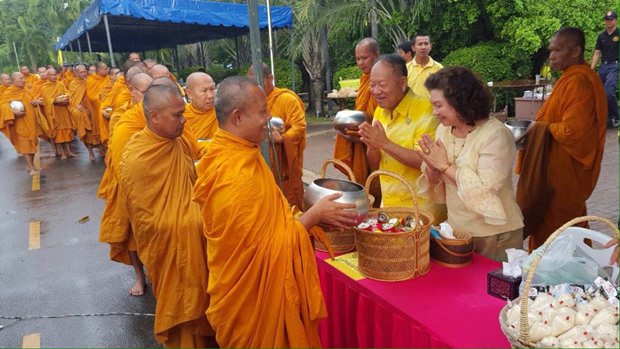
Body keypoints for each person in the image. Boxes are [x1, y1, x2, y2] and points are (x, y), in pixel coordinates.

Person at [193, 76, 358, 348]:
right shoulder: (234, 175)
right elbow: (264, 251)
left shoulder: (238, 152)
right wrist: (313, 216)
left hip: (258, 290)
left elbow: (270, 217)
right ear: (237, 117)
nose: (269, 118)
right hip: (251, 302)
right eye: (262, 112)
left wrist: (301, 217)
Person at [118, 85, 214, 348]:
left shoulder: (179, 139)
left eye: (183, 113)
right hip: (172, 248)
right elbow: (146, 218)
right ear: (153, 116)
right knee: (181, 308)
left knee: (205, 301)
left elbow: (190, 178)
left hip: (196, 240)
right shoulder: (137, 156)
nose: (184, 120)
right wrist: (192, 222)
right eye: (177, 115)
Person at [416, 67, 524, 262]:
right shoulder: (443, 130)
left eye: (439, 105)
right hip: (458, 231)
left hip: (494, 234)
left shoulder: (495, 134)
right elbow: (436, 181)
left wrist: (443, 165)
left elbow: (485, 190)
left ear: (459, 102)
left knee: (490, 291)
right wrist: (431, 167)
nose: (435, 113)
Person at [516, 27, 607, 250]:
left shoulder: (579, 82)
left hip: (562, 177)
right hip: (553, 173)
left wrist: (539, 129)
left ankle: (567, 281)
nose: (552, 56)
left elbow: (574, 132)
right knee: (549, 235)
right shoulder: (569, 77)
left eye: (557, 50)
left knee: (563, 237)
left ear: (575, 51)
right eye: (551, 50)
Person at [358, 54, 442, 221]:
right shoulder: (380, 111)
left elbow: (429, 162)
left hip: (421, 210)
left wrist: (384, 143)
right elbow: (376, 164)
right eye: (372, 85)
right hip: (390, 207)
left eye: (382, 85)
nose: (376, 91)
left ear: (403, 83)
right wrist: (373, 146)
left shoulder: (426, 111)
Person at [98, 72, 153, 297]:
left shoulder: (161, 111)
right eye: (145, 92)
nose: (151, 96)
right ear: (132, 90)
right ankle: (140, 277)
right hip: (129, 184)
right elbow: (117, 153)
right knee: (132, 235)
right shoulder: (124, 118)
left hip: (157, 181)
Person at [248, 63, 306, 207]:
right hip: (262, 161)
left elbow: (299, 127)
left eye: (260, 82)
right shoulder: (251, 103)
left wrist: (282, 139)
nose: (257, 88)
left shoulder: (286, 99)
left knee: (290, 202)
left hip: (284, 162)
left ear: (271, 78)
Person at [333, 37, 379, 185]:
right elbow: (362, 109)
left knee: (377, 181)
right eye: (358, 59)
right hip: (362, 136)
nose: (360, 63)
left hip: (378, 138)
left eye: (364, 58)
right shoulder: (364, 79)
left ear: (376, 55)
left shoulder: (381, 80)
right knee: (363, 182)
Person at [0, 72, 39, 175]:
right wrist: (13, 112)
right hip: (20, 122)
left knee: (33, 142)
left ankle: (31, 164)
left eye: (23, 78)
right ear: (14, 81)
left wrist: (35, 102)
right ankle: (31, 168)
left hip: (31, 121)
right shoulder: (9, 92)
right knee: (25, 144)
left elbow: (32, 100)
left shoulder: (26, 89)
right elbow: (3, 106)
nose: (23, 80)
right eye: (20, 79)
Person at [590, 11, 619, 129]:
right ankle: (607, 120)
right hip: (603, 67)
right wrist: (591, 69)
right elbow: (597, 53)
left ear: (616, 20)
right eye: (607, 19)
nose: (609, 22)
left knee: (608, 92)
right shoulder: (601, 36)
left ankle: (616, 117)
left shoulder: (619, 33)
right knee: (600, 94)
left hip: (614, 65)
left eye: (611, 19)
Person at [40, 68, 76, 159]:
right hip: (54, 112)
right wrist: (55, 100)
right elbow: (47, 100)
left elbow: (66, 92)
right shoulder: (45, 87)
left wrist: (66, 97)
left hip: (63, 110)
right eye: (51, 75)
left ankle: (69, 151)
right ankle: (62, 153)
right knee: (58, 133)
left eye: (55, 74)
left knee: (67, 130)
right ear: (47, 76)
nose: (54, 76)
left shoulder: (60, 84)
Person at [68, 64, 102, 159]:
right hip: (84, 110)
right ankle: (90, 152)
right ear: (76, 73)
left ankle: (101, 149)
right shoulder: (74, 84)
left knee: (97, 129)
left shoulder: (90, 81)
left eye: (84, 71)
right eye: (81, 72)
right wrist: (77, 105)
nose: (83, 74)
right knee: (88, 132)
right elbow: (72, 98)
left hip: (93, 108)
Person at [407, 35, 443, 99]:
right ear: (413, 48)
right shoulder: (406, 68)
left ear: (430, 46)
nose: (423, 47)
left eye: (426, 44)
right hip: (411, 107)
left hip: (431, 108)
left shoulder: (439, 68)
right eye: (420, 44)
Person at [183, 72, 218, 139]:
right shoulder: (182, 117)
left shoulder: (223, 112)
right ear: (189, 94)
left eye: (212, 89)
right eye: (204, 91)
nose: (210, 95)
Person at [86, 62, 111, 151]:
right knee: (100, 129)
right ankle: (103, 149)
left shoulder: (108, 78)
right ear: (99, 70)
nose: (107, 70)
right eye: (105, 68)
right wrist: (100, 99)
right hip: (97, 108)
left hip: (108, 106)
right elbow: (91, 96)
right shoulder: (91, 80)